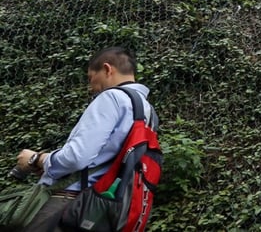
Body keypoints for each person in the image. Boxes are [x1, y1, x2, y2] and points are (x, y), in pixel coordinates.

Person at [14, 46, 156, 232]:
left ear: (107, 69)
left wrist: (37, 159)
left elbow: (77, 157)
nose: (91, 87)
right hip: (106, 206)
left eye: (91, 78)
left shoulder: (111, 98)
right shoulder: (147, 110)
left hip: (71, 202)